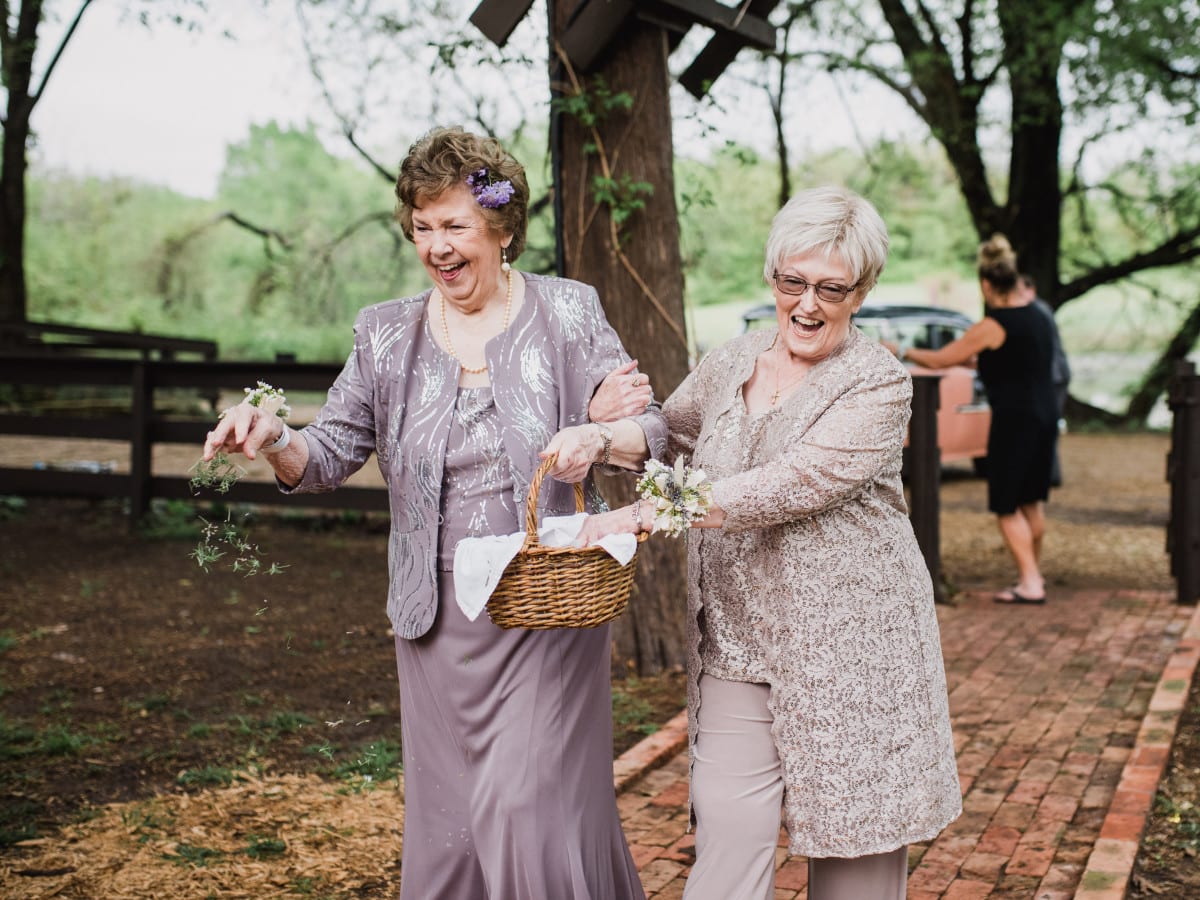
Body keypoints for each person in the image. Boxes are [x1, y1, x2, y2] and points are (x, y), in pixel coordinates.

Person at [203, 126, 665, 900]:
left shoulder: (568, 313)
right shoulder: (384, 334)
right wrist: (272, 437)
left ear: (502, 228)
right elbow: (326, 456)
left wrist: (599, 431)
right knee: (452, 834)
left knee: (527, 809)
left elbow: (649, 433)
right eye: (422, 226)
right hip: (436, 617)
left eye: (454, 225)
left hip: (543, 607)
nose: (436, 245)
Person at [579, 186, 961, 899]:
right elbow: (672, 432)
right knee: (726, 842)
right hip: (737, 641)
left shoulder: (877, 384)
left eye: (831, 288)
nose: (807, 305)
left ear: (864, 289)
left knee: (857, 860)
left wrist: (646, 514)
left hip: (852, 651)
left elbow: (791, 483)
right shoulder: (735, 359)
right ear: (772, 276)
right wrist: (606, 434)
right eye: (793, 282)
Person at [900, 237, 1058, 604]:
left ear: (986, 285)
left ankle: (1030, 582)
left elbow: (941, 359)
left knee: (1005, 503)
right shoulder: (1038, 316)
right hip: (1045, 414)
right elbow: (1017, 361)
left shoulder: (993, 324)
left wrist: (902, 351)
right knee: (1031, 501)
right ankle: (1031, 575)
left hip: (1015, 419)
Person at [1020, 273, 1071, 486]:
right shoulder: (1041, 309)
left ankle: (1049, 474)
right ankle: (1048, 473)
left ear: (1031, 290)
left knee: (1046, 424)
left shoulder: (1037, 310)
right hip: (1054, 373)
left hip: (1053, 375)